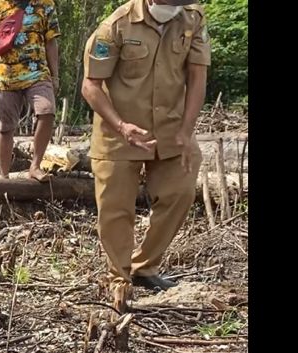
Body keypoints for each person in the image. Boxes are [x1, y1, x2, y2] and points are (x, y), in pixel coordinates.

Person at [81, 0, 209, 292]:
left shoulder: (192, 19)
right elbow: (91, 86)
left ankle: (145, 266)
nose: (178, 5)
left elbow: (198, 75)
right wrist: (121, 126)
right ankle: (119, 277)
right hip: (118, 133)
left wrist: (187, 131)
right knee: (115, 210)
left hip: (171, 129)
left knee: (180, 192)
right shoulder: (114, 27)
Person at [0, 0, 61, 181]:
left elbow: (51, 42)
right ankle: (4, 176)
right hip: (6, 75)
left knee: (47, 111)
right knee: (6, 127)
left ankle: (35, 166)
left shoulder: (45, 5)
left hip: (37, 72)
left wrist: (55, 76)